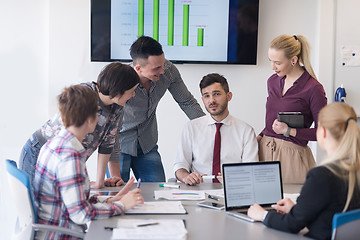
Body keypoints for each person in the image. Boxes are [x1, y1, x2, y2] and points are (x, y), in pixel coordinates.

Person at [34, 85, 144, 240]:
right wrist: (122, 206)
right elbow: (81, 214)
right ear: (90, 119)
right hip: (62, 234)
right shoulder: (70, 157)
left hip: (54, 228)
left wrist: (111, 200)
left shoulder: (53, 145)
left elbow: (75, 201)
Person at [248, 102, 360, 240]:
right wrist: (297, 209)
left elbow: (292, 225)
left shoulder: (322, 176)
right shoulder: (354, 171)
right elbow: (331, 212)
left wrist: (262, 214)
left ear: (322, 132)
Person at [19, 62, 139, 189]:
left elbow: (108, 143)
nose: (133, 95)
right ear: (119, 90)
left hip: (66, 158)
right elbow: (68, 135)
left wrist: (99, 182)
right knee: (37, 205)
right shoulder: (85, 95)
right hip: (39, 152)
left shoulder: (118, 106)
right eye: (131, 91)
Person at [108, 36, 205, 182]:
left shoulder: (169, 71)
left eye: (163, 64)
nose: (162, 70)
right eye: (156, 68)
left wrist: (208, 128)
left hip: (147, 143)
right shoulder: (120, 80)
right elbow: (109, 122)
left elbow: (187, 102)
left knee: (158, 194)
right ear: (138, 68)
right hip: (120, 144)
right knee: (117, 194)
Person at [257, 34, 327, 183]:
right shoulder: (272, 82)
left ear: (294, 60)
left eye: (277, 63)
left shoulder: (313, 88)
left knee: (290, 204)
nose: (272, 67)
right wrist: (260, 137)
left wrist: (289, 131)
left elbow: (323, 133)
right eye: (270, 61)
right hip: (264, 152)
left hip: (292, 157)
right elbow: (271, 119)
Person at [174, 73, 258, 185]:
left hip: (232, 189)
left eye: (217, 94)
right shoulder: (191, 128)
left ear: (229, 96)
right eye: (206, 96)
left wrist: (235, 178)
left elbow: (251, 169)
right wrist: (186, 177)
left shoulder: (246, 131)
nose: (211, 100)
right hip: (198, 190)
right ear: (202, 99)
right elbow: (180, 165)